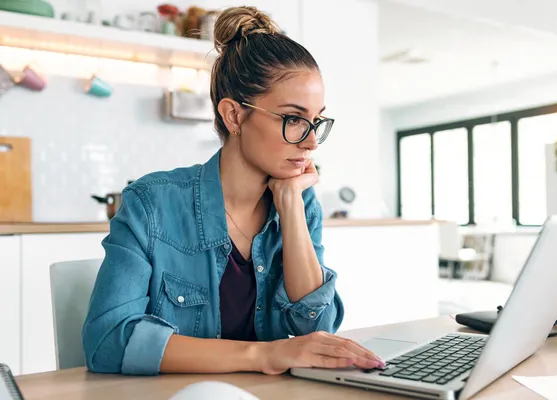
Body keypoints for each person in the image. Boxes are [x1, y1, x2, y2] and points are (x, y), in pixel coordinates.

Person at [82, 5, 384, 376]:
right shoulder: (151, 204)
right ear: (234, 115)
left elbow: (315, 328)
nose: (310, 143)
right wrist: (264, 356)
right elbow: (108, 341)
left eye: (316, 121)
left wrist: (290, 208)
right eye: (294, 119)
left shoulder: (301, 203)